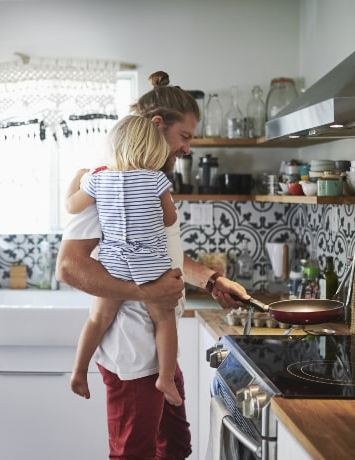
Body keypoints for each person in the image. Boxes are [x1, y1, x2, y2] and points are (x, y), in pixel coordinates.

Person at [56, 70, 248, 460]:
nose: (188, 149)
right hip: (132, 351)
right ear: (158, 127)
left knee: (175, 449)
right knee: (134, 454)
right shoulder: (106, 181)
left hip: (158, 351)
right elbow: (69, 268)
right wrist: (144, 292)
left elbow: (164, 256)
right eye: (185, 137)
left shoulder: (150, 183)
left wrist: (209, 280)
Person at [66, 115, 183, 407]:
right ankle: (166, 377)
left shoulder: (97, 180)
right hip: (151, 265)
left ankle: (80, 371)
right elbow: (170, 218)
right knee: (164, 320)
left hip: (114, 264)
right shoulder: (157, 179)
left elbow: (71, 206)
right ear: (154, 150)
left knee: (97, 319)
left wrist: (76, 179)